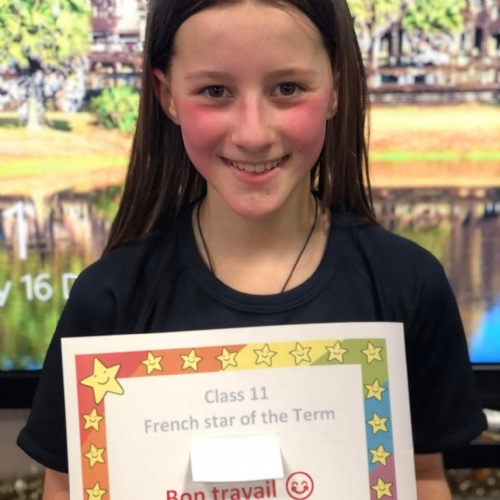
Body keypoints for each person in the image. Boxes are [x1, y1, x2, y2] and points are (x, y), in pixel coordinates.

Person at [18, 0, 487, 498]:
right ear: (167, 96)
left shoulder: (408, 284)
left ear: (336, 88)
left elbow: (422, 475)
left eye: (287, 88)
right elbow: (66, 484)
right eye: (214, 91)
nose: (253, 134)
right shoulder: (109, 298)